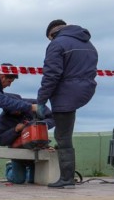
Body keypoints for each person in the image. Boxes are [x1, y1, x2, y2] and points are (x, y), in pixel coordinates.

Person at [36, 19, 98, 189]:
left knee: (63, 137)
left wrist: (41, 100)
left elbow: (51, 75)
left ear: (52, 33)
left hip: (66, 93)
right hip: (85, 90)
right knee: (65, 133)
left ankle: (66, 179)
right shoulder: (88, 43)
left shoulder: (57, 44)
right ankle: (67, 176)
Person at [0, 94, 55, 183]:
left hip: (36, 147)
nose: (16, 112)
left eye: (17, 108)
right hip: (18, 150)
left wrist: (34, 126)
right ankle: (10, 167)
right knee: (18, 180)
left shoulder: (34, 104)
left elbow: (52, 119)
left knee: (33, 180)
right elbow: (0, 139)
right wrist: (15, 130)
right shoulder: (4, 118)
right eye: (12, 110)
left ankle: (28, 171)